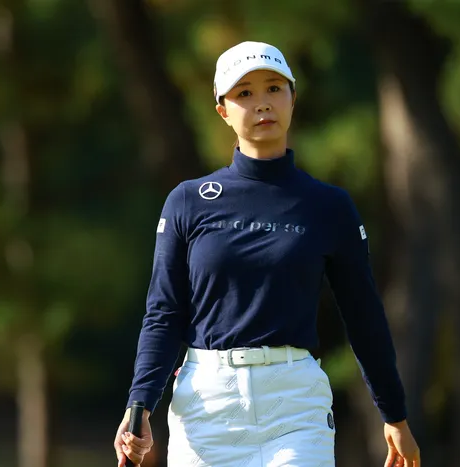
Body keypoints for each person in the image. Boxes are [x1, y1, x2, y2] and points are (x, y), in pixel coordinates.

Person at [113, 41, 421, 467]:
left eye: (274, 88)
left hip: (295, 405)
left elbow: (363, 314)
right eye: (244, 93)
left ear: (293, 98)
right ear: (222, 111)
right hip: (207, 407)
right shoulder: (188, 202)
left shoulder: (329, 206)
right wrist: (140, 405)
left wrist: (395, 415)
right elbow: (165, 312)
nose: (262, 104)